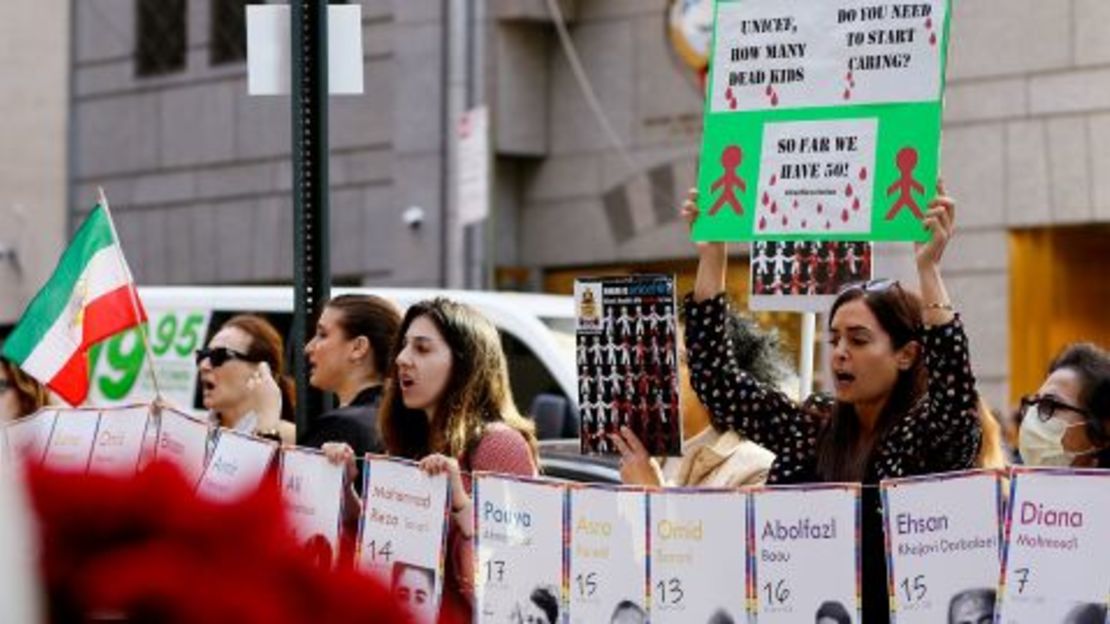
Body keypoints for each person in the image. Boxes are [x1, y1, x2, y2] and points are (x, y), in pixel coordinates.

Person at [681, 183, 981, 624]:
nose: (840, 352)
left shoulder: (921, 438)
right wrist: (713, 256)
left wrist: (928, 269)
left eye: (859, 340)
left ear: (906, 354)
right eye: (834, 338)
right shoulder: (812, 425)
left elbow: (955, 399)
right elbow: (716, 380)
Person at [325, 298, 538, 623]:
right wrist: (347, 498)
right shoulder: (408, 445)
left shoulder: (499, 445)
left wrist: (461, 505)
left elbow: (517, 582)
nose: (402, 360)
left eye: (422, 349)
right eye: (403, 347)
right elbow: (380, 562)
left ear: (464, 364)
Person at [611, 311, 781, 488]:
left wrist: (651, 490)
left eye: (675, 358)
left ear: (716, 373)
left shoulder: (755, 469)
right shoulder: (651, 453)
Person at [300, 294, 401, 455]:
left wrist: (266, 424)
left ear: (358, 348)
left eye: (323, 334)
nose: (309, 348)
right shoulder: (396, 420)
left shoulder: (342, 426)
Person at [197, 314, 295, 444]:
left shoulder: (290, 438)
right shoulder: (192, 431)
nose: (204, 366)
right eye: (203, 355)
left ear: (262, 371)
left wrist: (267, 430)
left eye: (219, 356)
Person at [1018, 342, 1110, 467]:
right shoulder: (1009, 484)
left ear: (1101, 432)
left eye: (1051, 405)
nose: (1032, 417)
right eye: (1033, 404)